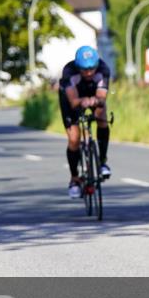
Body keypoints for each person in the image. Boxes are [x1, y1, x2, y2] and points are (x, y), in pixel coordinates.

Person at [59, 45, 112, 199]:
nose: (89, 73)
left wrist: (97, 101)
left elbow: (101, 97)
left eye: (92, 69)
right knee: (74, 138)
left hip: (91, 93)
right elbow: (74, 102)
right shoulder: (69, 71)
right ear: (78, 67)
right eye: (84, 70)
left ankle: (102, 161)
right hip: (71, 99)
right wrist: (84, 101)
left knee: (102, 115)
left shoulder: (103, 69)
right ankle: (75, 179)